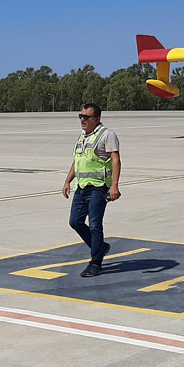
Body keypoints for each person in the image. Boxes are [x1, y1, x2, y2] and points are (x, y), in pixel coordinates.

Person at [62, 104, 121, 277]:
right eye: (81, 116)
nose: (83, 119)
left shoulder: (107, 135)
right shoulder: (82, 136)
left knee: (95, 225)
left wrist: (114, 186)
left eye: (87, 117)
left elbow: (116, 160)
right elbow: (77, 161)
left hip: (98, 188)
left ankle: (95, 263)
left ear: (97, 119)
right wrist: (68, 181)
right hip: (81, 188)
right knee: (75, 222)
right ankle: (100, 247)